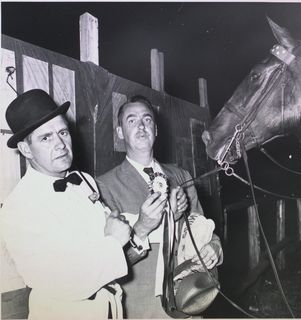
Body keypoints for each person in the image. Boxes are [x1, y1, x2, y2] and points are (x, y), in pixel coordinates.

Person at [0, 89, 148, 320]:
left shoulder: (85, 181)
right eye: (46, 138)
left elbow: (103, 239)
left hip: (111, 308)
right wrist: (112, 240)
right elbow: (63, 281)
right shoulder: (17, 209)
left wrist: (140, 227)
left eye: (63, 132)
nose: (60, 144)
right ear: (25, 149)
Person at [96, 95, 223, 318]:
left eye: (147, 120)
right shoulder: (104, 186)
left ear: (156, 129)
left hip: (189, 303)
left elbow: (203, 231)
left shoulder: (181, 176)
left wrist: (214, 247)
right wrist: (147, 225)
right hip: (142, 308)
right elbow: (109, 261)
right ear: (119, 133)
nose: (141, 126)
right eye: (131, 120)